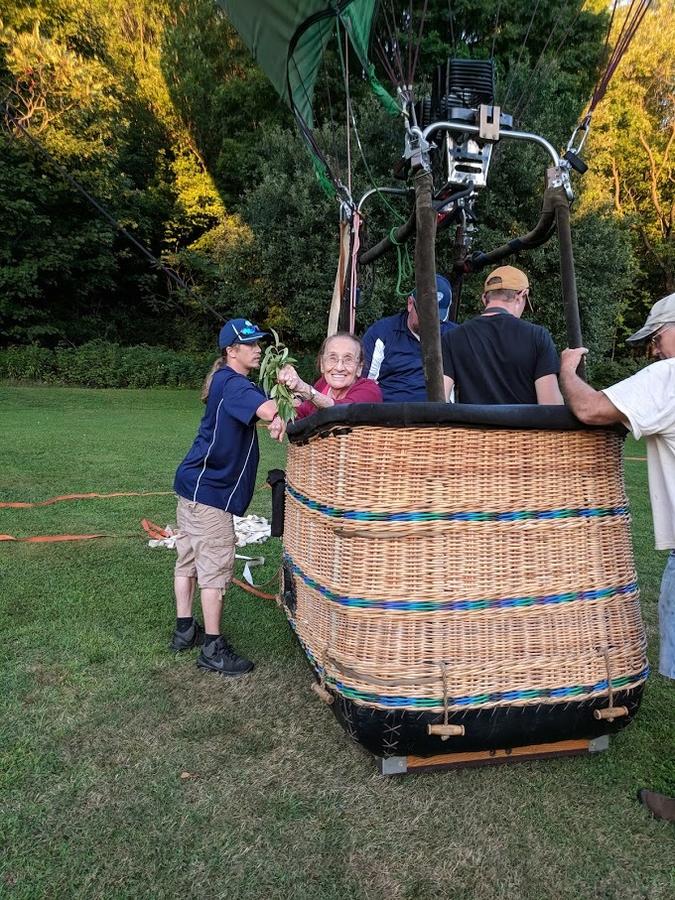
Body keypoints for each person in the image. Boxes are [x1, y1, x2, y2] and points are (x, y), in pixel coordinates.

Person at [559, 292, 675, 823]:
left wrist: (565, 369)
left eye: (656, 337)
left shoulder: (669, 377)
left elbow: (588, 408)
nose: (653, 350)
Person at [170, 318, 285, 676]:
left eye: (258, 343)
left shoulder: (225, 381)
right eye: (249, 344)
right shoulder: (234, 385)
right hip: (211, 496)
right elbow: (271, 411)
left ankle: (184, 629)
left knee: (187, 559)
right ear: (230, 351)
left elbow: (262, 411)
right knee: (215, 571)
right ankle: (213, 648)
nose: (258, 349)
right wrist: (286, 393)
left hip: (192, 486)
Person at [441, 265, 564, 404]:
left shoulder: (452, 338)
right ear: (521, 295)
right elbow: (551, 406)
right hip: (522, 425)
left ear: (484, 299)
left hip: (472, 426)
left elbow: (440, 398)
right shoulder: (538, 336)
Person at [362, 274, 457, 402]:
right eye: (426, 316)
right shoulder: (382, 333)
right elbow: (363, 384)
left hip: (438, 416)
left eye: (437, 318)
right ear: (410, 304)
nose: (431, 323)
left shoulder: (454, 336)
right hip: (388, 416)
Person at [277, 332, 382, 419]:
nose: (339, 367)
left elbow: (343, 410)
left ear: (359, 368)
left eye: (348, 359)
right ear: (322, 365)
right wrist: (282, 416)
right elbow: (304, 411)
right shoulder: (323, 384)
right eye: (332, 358)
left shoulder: (370, 390)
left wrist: (304, 389)